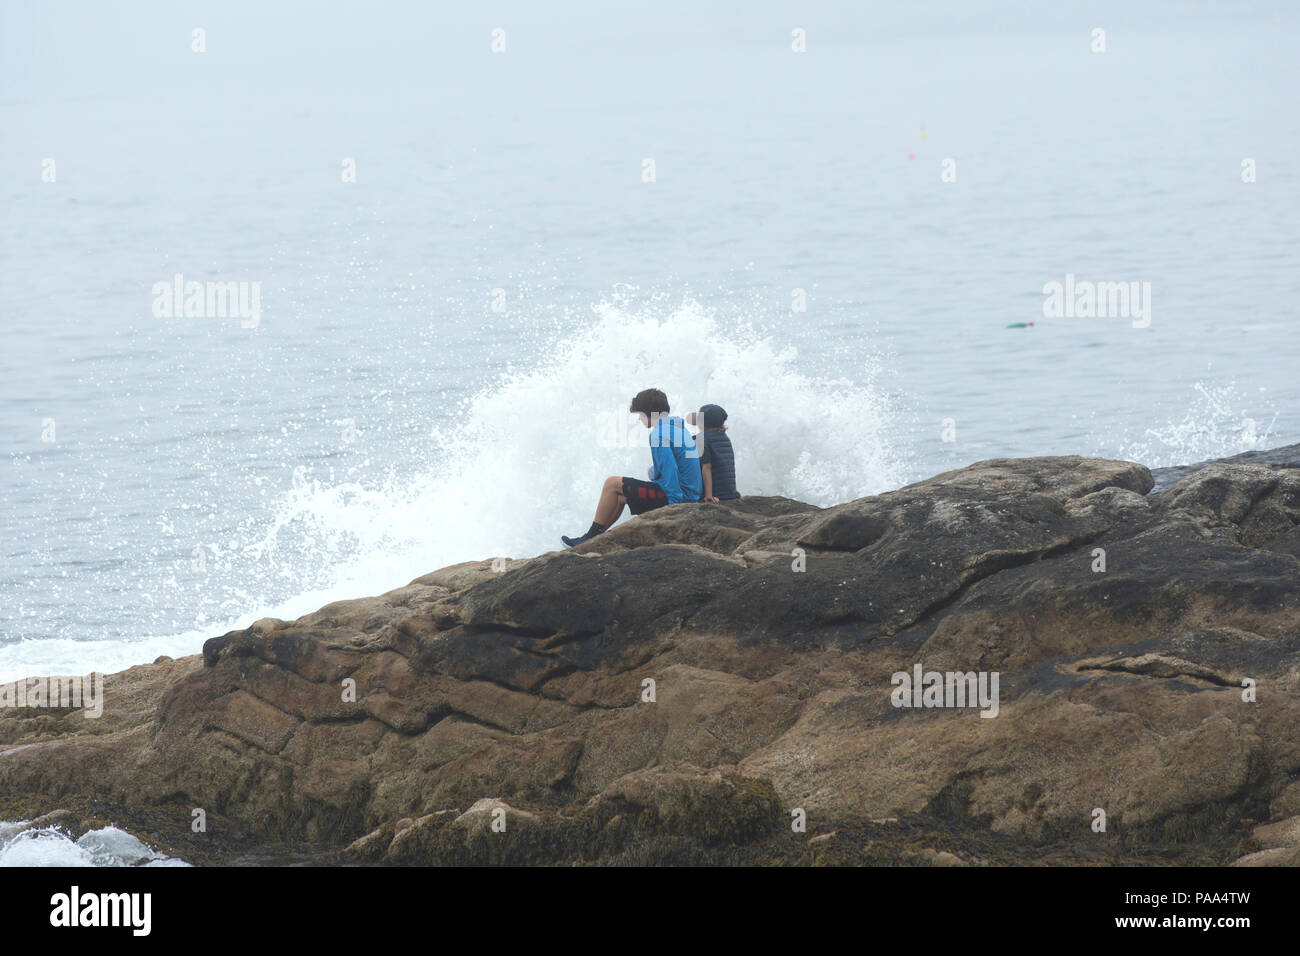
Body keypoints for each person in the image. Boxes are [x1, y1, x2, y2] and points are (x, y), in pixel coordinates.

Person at [562, 388, 702, 548]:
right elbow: (680, 465)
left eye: (640, 416)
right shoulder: (678, 428)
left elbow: (671, 471)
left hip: (679, 498)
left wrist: (674, 507)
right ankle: (593, 539)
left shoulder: (658, 434)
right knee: (620, 497)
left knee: (611, 483)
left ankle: (588, 538)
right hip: (691, 494)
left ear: (647, 413)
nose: (640, 420)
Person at [686, 403, 740, 501]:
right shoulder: (725, 438)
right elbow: (729, 465)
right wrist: (734, 492)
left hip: (715, 494)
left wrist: (709, 496)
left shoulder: (700, 439)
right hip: (728, 493)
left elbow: (706, 467)